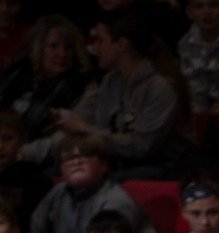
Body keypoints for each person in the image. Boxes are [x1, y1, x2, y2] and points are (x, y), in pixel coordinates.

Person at [35, 18, 189, 176]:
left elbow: (142, 147)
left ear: (121, 44)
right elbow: (103, 129)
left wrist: (85, 130)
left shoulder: (160, 87)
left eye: (100, 40)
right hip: (116, 162)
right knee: (50, 175)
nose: (94, 48)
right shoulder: (111, 81)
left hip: (157, 167)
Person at [30, 134, 156, 233]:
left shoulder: (116, 202)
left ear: (103, 165)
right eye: (69, 158)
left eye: (84, 156)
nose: (76, 162)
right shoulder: (56, 193)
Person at [0, 17, 90, 147]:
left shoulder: (78, 85)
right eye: (53, 46)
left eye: (69, 47)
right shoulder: (19, 70)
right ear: (37, 47)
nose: (62, 54)